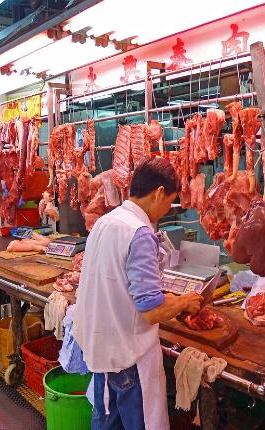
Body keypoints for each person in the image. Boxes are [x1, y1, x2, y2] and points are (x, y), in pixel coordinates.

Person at [72, 158, 203, 430]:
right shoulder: (139, 232)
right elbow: (152, 311)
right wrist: (183, 303)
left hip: (101, 354)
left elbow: (118, 284)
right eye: (170, 201)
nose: (168, 209)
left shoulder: (105, 222)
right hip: (128, 359)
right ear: (158, 193)